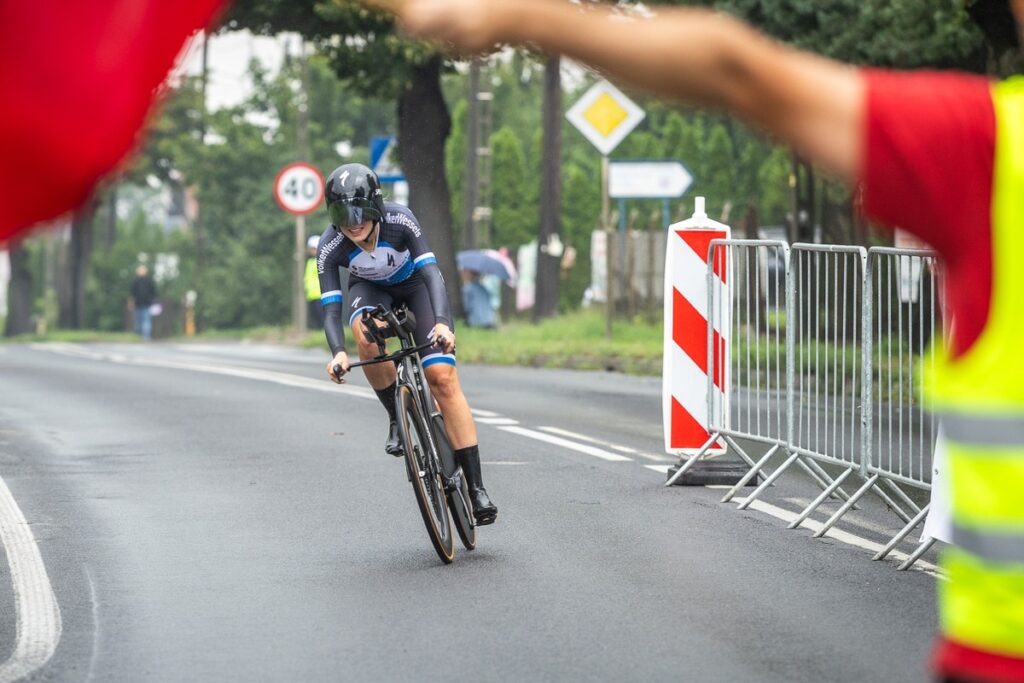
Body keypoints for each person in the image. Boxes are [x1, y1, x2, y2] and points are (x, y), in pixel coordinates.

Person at [398, 1, 1024, 680]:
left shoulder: (994, 144)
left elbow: (738, 71)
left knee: (440, 375)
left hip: (1000, 656)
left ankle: (467, 476)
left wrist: (522, 17)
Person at [317, 162, 497, 525]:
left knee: (443, 379)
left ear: (376, 208)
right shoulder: (330, 245)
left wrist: (444, 325)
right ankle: (397, 419)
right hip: (371, 293)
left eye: (361, 216)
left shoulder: (401, 220)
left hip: (416, 289)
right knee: (365, 336)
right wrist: (337, 352)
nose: (354, 226)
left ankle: (477, 488)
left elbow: (432, 274)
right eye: (344, 218)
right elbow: (331, 310)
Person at [128, 265, 157, 340]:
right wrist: (131, 303)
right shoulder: (136, 281)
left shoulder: (149, 281)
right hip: (138, 303)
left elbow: (153, 292)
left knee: (146, 320)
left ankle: (145, 337)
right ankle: (140, 336)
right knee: (139, 320)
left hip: (147, 304)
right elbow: (132, 293)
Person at [304, 235, 323, 330]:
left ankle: (322, 332)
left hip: (320, 294)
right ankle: (318, 332)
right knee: (315, 316)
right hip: (312, 295)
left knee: (321, 317)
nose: (311, 251)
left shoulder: (321, 261)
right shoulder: (310, 261)